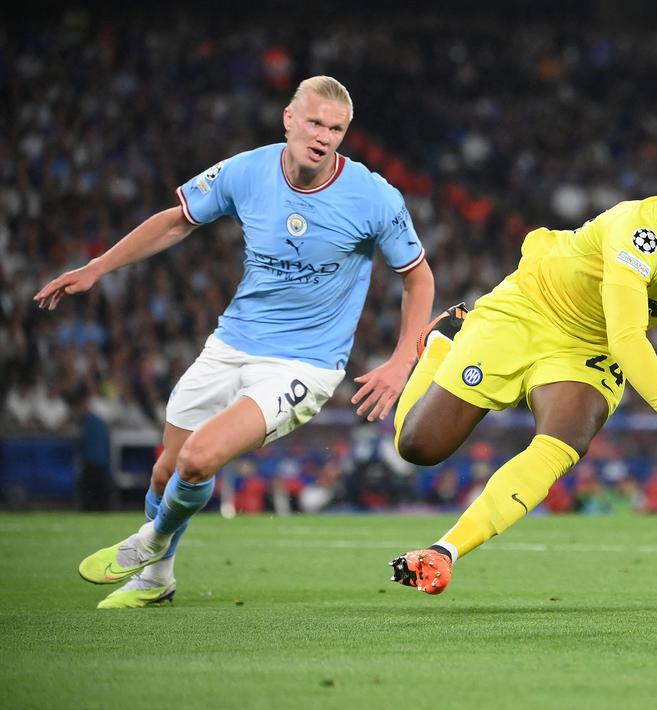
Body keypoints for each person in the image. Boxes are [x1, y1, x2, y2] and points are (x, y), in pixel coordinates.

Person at [33, 76, 435, 608]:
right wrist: (98, 267)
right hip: (231, 343)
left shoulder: (373, 196)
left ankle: (148, 544)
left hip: (305, 364)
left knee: (198, 459)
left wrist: (404, 360)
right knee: (166, 470)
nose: (323, 136)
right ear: (289, 118)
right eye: (314, 122)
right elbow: (176, 222)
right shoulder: (246, 171)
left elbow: (418, 277)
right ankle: (157, 581)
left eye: (336, 129)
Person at [387, 152, 657, 594]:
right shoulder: (640, 232)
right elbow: (628, 337)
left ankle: (444, 552)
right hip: (531, 308)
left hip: (590, 347)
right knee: (418, 447)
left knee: (568, 437)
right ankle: (441, 345)